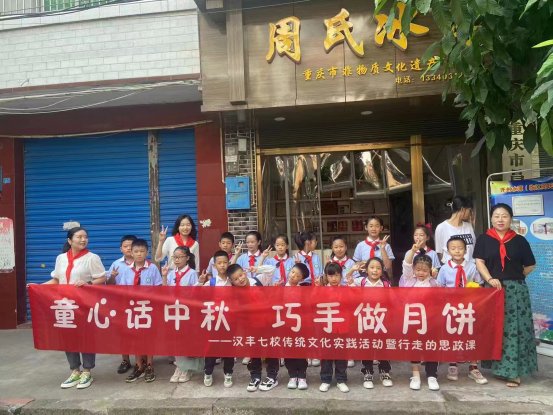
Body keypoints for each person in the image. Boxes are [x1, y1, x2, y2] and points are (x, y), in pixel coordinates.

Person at [474, 203, 537, 388]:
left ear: (511, 219)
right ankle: (500, 368)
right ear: (491, 218)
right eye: (496, 216)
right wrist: (490, 279)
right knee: (495, 329)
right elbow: (479, 262)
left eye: (504, 216)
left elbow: (530, 265)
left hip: (516, 291)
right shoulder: (484, 239)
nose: (500, 220)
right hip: (492, 290)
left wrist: (514, 277)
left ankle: (514, 372)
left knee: (515, 330)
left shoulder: (520, 241)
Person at [44, 226, 106, 390]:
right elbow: (57, 280)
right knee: (69, 337)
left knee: (85, 337)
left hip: (85, 304)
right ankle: (75, 370)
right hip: (65, 304)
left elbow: (102, 278)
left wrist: (88, 283)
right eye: (79, 237)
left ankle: (87, 371)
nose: (83, 240)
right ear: (69, 240)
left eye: (85, 237)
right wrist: (38, 287)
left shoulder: (92, 258)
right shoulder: (61, 258)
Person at [436, 236, 487, 385]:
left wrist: (474, 290)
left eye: (460, 248)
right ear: (448, 251)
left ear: (466, 250)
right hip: (451, 307)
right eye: (453, 248)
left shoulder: (472, 266)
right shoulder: (444, 269)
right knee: (452, 335)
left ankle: (473, 367)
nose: (457, 251)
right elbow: (439, 288)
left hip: (469, 307)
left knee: (472, 335)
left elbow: (479, 283)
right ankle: (453, 364)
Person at [118, 239, 162, 383]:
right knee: (135, 338)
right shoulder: (126, 270)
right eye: (136, 251)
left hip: (148, 309)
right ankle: (138, 365)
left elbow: (159, 288)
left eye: (142, 251)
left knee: (148, 338)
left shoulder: (152, 268)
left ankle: (149, 365)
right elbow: (122, 289)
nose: (139, 254)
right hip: (132, 309)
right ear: (131, 252)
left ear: (147, 252)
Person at [346, 257, 393, 389]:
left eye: (378, 268)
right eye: (372, 267)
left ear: (382, 270)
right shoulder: (361, 281)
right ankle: (368, 372)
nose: (375, 270)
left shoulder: (385, 284)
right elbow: (347, 280)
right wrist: (352, 270)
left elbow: (391, 301)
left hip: (381, 321)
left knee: (382, 347)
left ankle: (385, 372)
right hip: (365, 320)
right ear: (366, 270)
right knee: (366, 346)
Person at [163, 246, 203, 384]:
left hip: (187, 312)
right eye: (175, 257)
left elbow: (196, 293)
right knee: (176, 340)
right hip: (173, 311)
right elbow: (164, 292)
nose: (177, 260)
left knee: (186, 340)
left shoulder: (192, 273)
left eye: (180, 257)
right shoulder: (170, 274)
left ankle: (186, 369)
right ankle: (179, 367)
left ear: (187, 258)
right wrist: (164, 276)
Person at [399, 253, 440, 391]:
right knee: (415, 346)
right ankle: (415, 374)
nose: (421, 273)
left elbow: (440, 300)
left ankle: (432, 375)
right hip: (412, 319)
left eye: (425, 270)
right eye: (418, 269)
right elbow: (406, 264)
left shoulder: (434, 283)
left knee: (431, 346)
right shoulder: (409, 279)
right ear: (413, 269)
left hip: (430, 320)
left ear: (430, 270)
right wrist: (413, 250)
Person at [202, 251, 234, 387]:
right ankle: (208, 372)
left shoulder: (233, 281)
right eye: (219, 263)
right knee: (211, 347)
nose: (222, 265)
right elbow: (197, 296)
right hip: (214, 320)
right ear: (214, 266)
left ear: (229, 263)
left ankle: (228, 373)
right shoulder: (211, 283)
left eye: (225, 262)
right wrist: (199, 282)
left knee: (229, 347)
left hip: (230, 321)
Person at [106, 234, 137, 375]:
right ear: (121, 249)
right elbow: (109, 285)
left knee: (138, 332)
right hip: (121, 304)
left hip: (139, 304)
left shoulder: (142, 263)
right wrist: (112, 276)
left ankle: (141, 361)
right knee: (123, 333)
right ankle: (125, 360)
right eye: (125, 246)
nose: (128, 248)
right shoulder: (116, 264)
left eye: (131, 246)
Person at [319, 263, 349, 393]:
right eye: (331, 276)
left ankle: (341, 380)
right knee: (326, 354)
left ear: (341, 276)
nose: (334, 278)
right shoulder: (321, 290)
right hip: (326, 327)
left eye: (337, 275)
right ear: (326, 276)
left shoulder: (346, 290)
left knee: (341, 355)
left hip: (342, 327)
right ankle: (325, 379)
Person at [283, 263, 310, 391]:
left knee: (301, 350)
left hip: (300, 326)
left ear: (302, 279)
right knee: (288, 350)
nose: (293, 276)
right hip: (285, 325)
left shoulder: (303, 291)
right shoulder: (280, 288)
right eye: (292, 272)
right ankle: (292, 375)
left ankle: (302, 376)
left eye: (297, 275)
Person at [435, 195, 475, 263]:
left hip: (470, 267)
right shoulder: (441, 227)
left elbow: (473, 247)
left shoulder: (469, 226)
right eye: (469, 210)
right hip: (451, 268)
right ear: (463, 209)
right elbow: (439, 252)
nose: (470, 214)